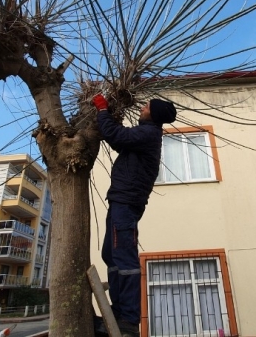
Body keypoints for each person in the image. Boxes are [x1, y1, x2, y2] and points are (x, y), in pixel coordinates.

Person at [92, 94, 177, 337]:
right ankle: (118, 313)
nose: (142, 107)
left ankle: (128, 320)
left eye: (147, 106)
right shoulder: (144, 136)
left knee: (124, 258)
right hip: (122, 200)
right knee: (111, 254)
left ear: (154, 114)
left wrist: (102, 110)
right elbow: (120, 142)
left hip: (126, 202)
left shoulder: (149, 134)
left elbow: (117, 136)